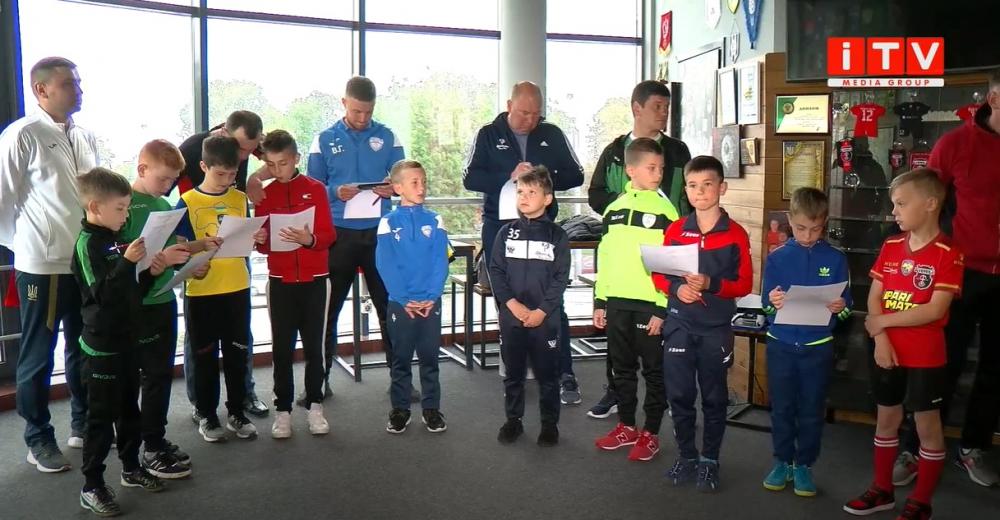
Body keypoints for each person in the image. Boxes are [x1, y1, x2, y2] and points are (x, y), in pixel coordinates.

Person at [893, 68, 1000, 488]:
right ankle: (913, 447)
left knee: (995, 370)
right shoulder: (955, 144)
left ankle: (973, 448)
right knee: (939, 363)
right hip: (959, 272)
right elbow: (924, 203)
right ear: (994, 98)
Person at [844, 169, 964, 520]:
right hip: (887, 351)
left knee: (927, 427)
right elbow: (875, 298)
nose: (893, 211)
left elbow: (935, 309)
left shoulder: (948, 252)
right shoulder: (892, 245)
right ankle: (882, 489)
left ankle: (921, 501)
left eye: (900, 204)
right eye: (893, 204)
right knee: (886, 419)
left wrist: (881, 322)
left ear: (930, 204)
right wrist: (880, 338)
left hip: (926, 355)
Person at [0, 57, 97, 472]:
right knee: (38, 355)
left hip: (84, 262)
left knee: (83, 348)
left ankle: (83, 425)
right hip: (42, 265)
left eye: (79, 82)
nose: (79, 90)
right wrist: (28, 245)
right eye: (69, 84)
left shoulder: (85, 135)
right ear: (41, 90)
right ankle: (38, 437)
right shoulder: (21, 135)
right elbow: (2, 201)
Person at [463, 81, 584, 404]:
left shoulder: (552, 134)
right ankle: (514, 369)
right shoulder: (488, 134)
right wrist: (509, 174)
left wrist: (543, 177)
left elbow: (576, 175)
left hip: (543, 228)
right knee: (506, 298)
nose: (530, 120)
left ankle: (564, 372)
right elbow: (470, 178)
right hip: (500, 226)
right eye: (523, 113)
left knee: (552, 300)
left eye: (535, 114)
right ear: (509, 106)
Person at [586, 79, 692, 419]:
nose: (664, 113)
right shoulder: (615, 151)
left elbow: (688, 198)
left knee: (660, 341)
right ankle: (616, 394)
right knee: (619, 344)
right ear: (637, 108)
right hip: (623, 259)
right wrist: (625, 208)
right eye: (658, 106)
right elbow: (596, 194)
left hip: (662, 255)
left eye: (667, 107)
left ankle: (666, 402)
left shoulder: (678, 151)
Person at [654, 156, 752, 492]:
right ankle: (686, 455)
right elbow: (659, 274)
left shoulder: (736, 234)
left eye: (707, 185)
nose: (699, 192)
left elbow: (744, 284)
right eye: (693, 186)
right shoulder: (675, 230)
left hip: (715, 328)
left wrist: (711, 283)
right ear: (686, 190)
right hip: (679, 324)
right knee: (679, 395)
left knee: (713, 397)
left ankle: (709, 459)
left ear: (722, 188)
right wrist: (676, 289)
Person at [72, 168, 166, 516]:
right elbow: (103, 295)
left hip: (128, 340)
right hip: (101, 348)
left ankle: (131, 468)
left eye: (127, 208)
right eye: (120, 208)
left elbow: (131, 293)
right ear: (95, 207)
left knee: (129, 410)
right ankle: (92, 485)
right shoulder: (88, 244)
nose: (126, 215)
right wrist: (127, 264)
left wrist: (150, 273)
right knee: (100, 419)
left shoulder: (118, 238)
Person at [307, 76, 403, 398]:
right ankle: (319, 383)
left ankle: (400, 381)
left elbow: (403, 179)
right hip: (339, 235)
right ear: (344, 103)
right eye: (357, 111)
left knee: (388, 307)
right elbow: (312, 187)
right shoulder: (324, 139)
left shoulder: (388, 137)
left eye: (368, 112)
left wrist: (393, 188)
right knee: (328, 310)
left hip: (380, 234)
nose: (362, 118)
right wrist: (335, 191)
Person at [118, 140, 207, 479]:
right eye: (163, 178)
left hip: (164, 300)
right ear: (142, 169)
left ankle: (154, 439)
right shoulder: (123, 205)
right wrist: (159, 260)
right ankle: (140, 449)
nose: (168, 185)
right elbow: (119, 260)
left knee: (160, 376)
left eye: (173, 180)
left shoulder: (163, 204)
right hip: (136, 305)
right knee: (137, 380)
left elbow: (170, 251)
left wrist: (192, 261)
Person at [760, 187, 852, 497]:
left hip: (818, 347)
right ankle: (782, 461)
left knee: (812, 409)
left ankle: (804, 465)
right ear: (790, 220)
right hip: (781, 345)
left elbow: (847, 308)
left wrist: (840, 307)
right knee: (782, 408)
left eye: (815, 229)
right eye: (800, 228)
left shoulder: (836, 259)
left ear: (824, 223)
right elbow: (766, 304)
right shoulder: (777, 257)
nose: (808, 235)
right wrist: (773, 302)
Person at [177, 110, 268, 419]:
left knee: (239, 340)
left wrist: (255, 178)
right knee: (200, 342)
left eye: (248, 153)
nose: (243, 157)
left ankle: (243, 396)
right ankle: (201, 406)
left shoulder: (247, 158)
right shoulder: (192, 149)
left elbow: (279, 156)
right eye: (240, 148)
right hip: (201, 264)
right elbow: (170, 188)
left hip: (235, 265)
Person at [591, 138, 678, 461]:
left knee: (653, 372)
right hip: (617, 302)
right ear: (631, 170)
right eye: (651, 168)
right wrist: (600, 301)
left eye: (661, 169)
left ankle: (650, 432)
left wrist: (662, 307)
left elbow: (672, 265)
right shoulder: (613, 210)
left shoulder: (666, 210)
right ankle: (627, 426)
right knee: (621, 370)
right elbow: (605, 258)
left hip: (649, 306)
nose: (658, 174)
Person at [253, 130, 336, 438]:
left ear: (296, 159)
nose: (278, 170)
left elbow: (329, 236)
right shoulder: (265, 194)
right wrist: (260, 239)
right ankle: (283, 411)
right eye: (271, 165)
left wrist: (309, 239)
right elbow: (263, 246)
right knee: (281, 349)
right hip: (280, 281)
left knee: (315, 347)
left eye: (283, 163)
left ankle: (315, 406)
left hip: (315, 281)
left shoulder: (316, 189)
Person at [491, 166, 570, 447]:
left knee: (548, 376)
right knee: (513, 374)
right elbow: (496, 271)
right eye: (520, 192)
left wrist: (540, 311)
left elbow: (560, 279)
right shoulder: (506, 232)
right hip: (512, 317)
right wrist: (511, 304)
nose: (523, 197)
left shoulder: (557, 236)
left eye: (531, 192)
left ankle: (549, 425)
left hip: (544, 319)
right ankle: (513, 420)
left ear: (547, 199)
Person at [375, 160, 450, 434]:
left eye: (424, 182)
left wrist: (432, 296)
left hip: (430, 303)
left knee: (430, 359)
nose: (421, 187)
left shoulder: (435, 220)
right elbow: (386, 264)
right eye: (414, 182)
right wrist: (404, 299)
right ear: (398, 188)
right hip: (400, 304)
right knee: (401, 359)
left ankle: (431, 409)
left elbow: (440, 261)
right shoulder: (387, 222)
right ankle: (400, 409)